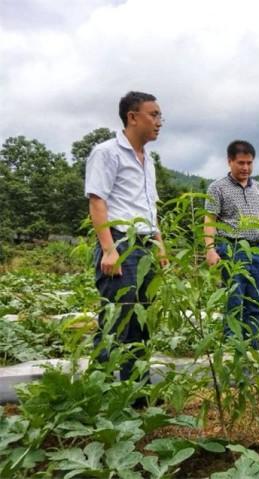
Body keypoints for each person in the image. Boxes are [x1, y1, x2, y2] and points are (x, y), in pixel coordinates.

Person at [85, 91, 167, 383]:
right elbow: (97, 201)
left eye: (160, 116)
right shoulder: (107, 153)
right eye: (153, 115)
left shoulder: (148, 160)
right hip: (122, 243)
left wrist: (160, 246)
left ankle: (137, 391)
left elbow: (149, 206)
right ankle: (102, 391)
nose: (160, 121)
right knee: (118, 319)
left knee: (142, 320)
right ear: (133, 117)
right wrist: (109, 250)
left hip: (145, 245)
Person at [204, 140, 259, 348]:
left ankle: (252, 341)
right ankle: (232, 343)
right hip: (232, 247)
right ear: (230, 162)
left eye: (249, 163)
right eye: (241, 163)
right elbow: (210, 220)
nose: (245, 168)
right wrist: (210, 249)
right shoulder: (217, 188)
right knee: (235, 296)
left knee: (256, 297)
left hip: (257, 248)